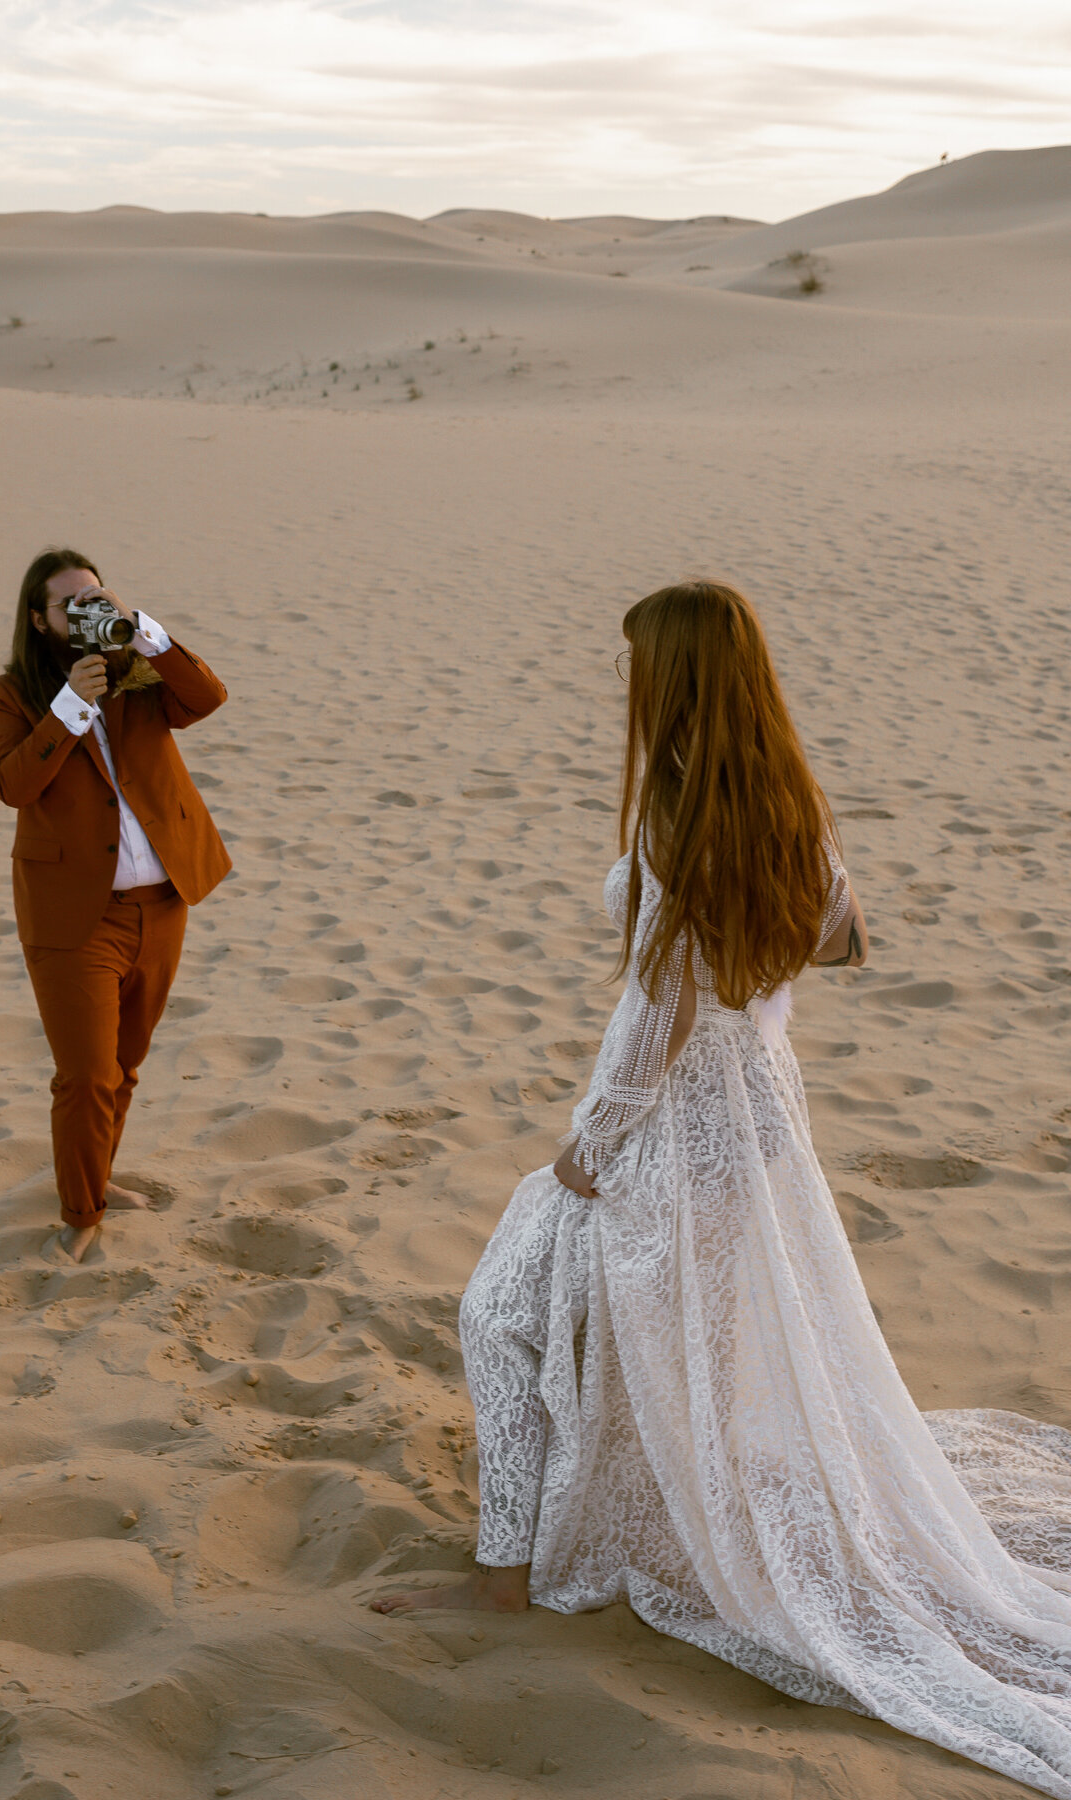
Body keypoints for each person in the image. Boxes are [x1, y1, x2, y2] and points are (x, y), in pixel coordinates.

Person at [373, 581, 1071, 1797]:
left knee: (499, 1313)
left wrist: (591, 1144)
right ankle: (593, 1524)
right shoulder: (783, 795)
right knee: (694, 1340)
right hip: (760, 1120)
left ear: (678, 677)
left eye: (638, 663)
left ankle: (502, 1581)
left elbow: (657, 1011)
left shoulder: (679, 813)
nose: (627, 685)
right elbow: (845, 934)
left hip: (670, 1121)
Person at [0, 548, 231, 1262]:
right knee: (85, 1073)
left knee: (124, 1063)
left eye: (96, 596)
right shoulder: (11, 693)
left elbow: (208, 698)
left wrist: (142, 630)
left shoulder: (139, 673)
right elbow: (12, 785)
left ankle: (99, 1177)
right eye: (70, 604)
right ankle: (81, 1212)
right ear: (39, 620)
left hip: (162, 902)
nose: (86, 611)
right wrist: (69, 707)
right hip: (75, 918)